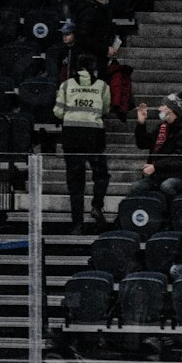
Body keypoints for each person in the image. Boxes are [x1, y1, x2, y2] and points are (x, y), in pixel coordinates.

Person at [52, 55, 110, 233]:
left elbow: (58, 112)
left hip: (72, 135)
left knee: (76, 182)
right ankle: (97, 206)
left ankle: (77, 223)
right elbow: (105, 109)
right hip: (94, 135)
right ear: (93, 67)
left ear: (76, 68)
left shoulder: (66, 85)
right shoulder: (102, 86)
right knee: (101, 174)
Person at [132, 92, 182, 198]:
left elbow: (181, 159)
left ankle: (172, 212)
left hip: (178, 175)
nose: (159, 109)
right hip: (159, 174)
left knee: (167, 186)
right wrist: (141, 124)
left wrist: (156, 166)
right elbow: (142, 144)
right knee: (137, 187)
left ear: (171, 109)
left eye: (162, 105)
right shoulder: (162, 127)